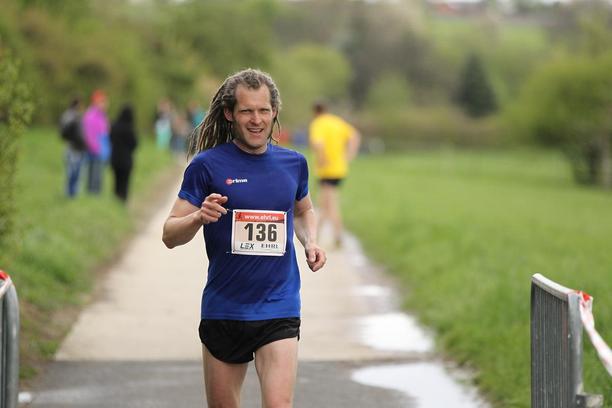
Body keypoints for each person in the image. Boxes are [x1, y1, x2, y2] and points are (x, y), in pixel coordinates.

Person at [162, 68, 326, 408]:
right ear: (229, 114)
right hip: (225, 308)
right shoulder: (207, 166)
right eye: (247, 111)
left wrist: (310, 241)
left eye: (263, 110)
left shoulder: (294, 163)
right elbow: (169, 234)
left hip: (279, 304)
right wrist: (198, 216)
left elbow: (302, 211)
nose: (256, 120)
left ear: (274, 112)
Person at [308, 101, 361, 248]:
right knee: (325, 204)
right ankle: (318, 235)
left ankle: (334, 236)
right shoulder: (337, 122)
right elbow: (355, 136)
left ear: (315, 112)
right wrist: (350, 155)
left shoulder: (317, 123)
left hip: (326, 170)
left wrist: (322, 158)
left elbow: (318, 143)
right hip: (339, 169)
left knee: (329, 205)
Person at [82, 89, 110, 194]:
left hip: (101, 149)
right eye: (102, 102)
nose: (105, 104)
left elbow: (105, 132)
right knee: (94, 174)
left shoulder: (102, 115)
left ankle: (95, 194)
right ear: (96, 102)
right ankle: (93, 194)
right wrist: (96, 148)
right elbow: (88, 134)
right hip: (94, 150)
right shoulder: (91, 115)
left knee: (98, 174)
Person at [109, 104, 138, 203]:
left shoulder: (114, 126)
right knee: (124, 182)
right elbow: (134, 144)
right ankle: (122, 200)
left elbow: (110, 139)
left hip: (115, 158)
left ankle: (115, 199)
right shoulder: (129, 128)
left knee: (116, 180)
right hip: (126, 160)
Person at [59, 97, 86, 198]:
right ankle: (71, 193)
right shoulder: (72, 116)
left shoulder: (68, 115)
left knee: (74, 170)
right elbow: (69, 133)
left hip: (73, 146)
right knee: (73, 170)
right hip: (73, 146)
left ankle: (72, 192)